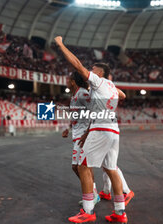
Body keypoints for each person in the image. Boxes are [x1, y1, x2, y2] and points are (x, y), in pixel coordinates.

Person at [55, 36, 128, 223]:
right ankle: (120, 213)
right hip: (113, 130)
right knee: (111, 169)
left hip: (101, 129)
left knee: (83, 166)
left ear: (100, 73)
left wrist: (61, 44)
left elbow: (78, 65)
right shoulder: (112, 86)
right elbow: (122, 95)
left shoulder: (99, 82)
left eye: (94, 69)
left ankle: (88, 211)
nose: (90, 71)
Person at [62, 71, 101, 206]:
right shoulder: (74, 96)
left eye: (69, 79)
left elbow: (95, 111)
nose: (66, 82)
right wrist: (68, 128)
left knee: (80, 166)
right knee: (80, 166)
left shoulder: (83, 93)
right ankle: (93, 193)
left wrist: (88, 132)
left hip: (84, 135)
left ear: (73, 81)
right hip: (77, 135)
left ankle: (91, 196)